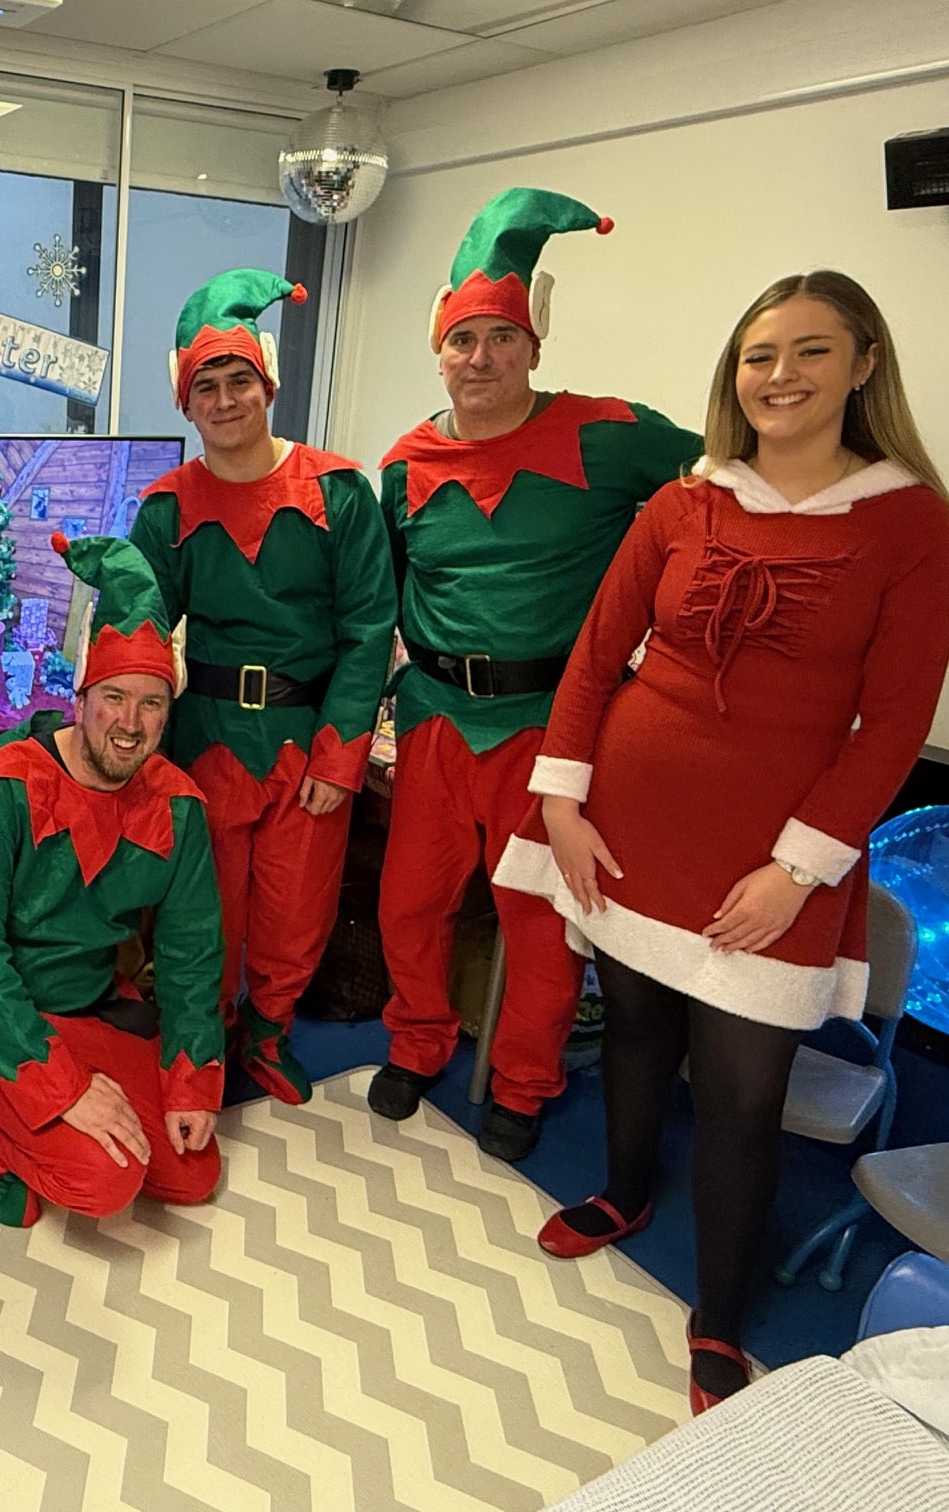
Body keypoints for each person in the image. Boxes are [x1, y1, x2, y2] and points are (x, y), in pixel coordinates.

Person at [494, 270, 949, 1413]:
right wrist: (562, 804)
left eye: (810, 351)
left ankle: (718, 1318)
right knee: (640, 1030)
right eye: (760, 355)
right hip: (627, 825)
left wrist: (796, 870)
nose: (781, 376)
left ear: (863, 365)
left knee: (746, 1095)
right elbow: (599, 655)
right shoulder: (684, 503)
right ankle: (622, 1192)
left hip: (770, 855)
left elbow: (895, 726)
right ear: (733, 374)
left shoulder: (907, 523)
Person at [371, 189, 704, 1161]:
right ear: (440, 349)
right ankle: (419, 1042)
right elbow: (385, 591)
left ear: (533, 347)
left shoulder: (611, 434)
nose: (480, 358)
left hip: (550, 726)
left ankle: (523, 1083)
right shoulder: (405, 461)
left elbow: (719, 487)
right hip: (433, 713)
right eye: (462, 339)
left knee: (539, 920)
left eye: (500, 339)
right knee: (410, 904)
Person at [129, 269, 396, 1105]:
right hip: (205, 735)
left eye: (238, 379)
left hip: (308, 738)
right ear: (186, 403)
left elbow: (368, 628)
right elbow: (134, 630)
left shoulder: (338, 492)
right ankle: (202, 1037)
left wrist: (342, 754)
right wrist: (128, 746)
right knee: (205, 911)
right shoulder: (165, 507)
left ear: (267, 383)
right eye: (205, 385)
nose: (225, 398)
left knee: (297, 908)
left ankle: (271, 1030)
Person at [0, 534, 226, 1227]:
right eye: (114, 697)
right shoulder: (2, 780)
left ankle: (55, 1108)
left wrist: (192, 1082)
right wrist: (61, 1090)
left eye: (153, 704)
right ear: (80, 697)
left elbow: (192, 954)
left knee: (191, 1169)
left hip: (89, 1007)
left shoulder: (178, 805)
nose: (131, 724)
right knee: (106, 1182)